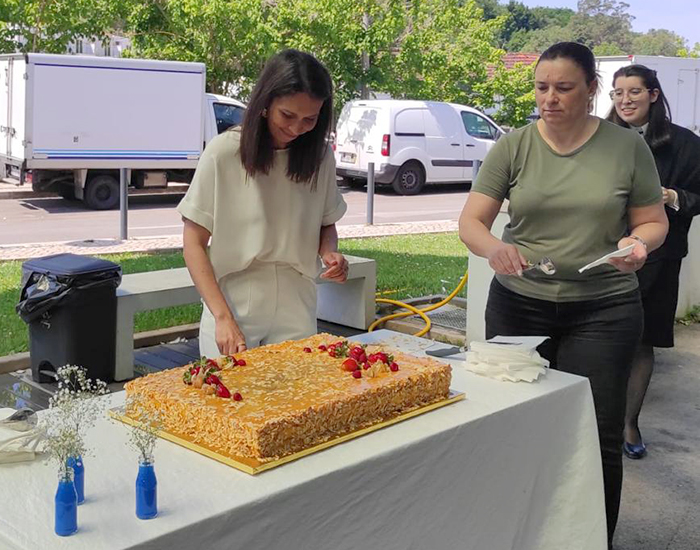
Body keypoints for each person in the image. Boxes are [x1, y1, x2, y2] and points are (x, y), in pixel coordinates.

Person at [458, 42, 668, 545]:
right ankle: (517, 533)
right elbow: (472, 221)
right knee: (514, 423)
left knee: (596, 435)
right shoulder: (513, 145)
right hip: (518, 302)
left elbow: (653, 221)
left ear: (592, 89)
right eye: (541, 87)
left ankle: (592, 537)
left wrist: (638, 245)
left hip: (604, 309)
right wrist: (494, 249)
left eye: (564, 88)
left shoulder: (626, 147)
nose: (549, 99)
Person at [177, 49, 348, 358]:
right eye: (288, 115)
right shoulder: (223, 153)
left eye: (310, 119)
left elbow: (326, 223)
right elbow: (193, 243)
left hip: (298, 299)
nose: (297, 129)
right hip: (235, 299)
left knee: (296, 403)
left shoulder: (320, 158)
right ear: (266, 103)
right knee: (229, 403)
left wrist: (330, 253)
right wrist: (222, 317)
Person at [607, 65, 700, 460]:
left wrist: (670, 196)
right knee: (600, 339)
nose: (624, 100)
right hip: (605, 254)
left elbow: (697, 197)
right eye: (617, 93)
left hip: (660, 257)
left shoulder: (684, 143)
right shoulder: (599, 138)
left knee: (643, 340)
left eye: (634, 92)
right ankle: (595, 422)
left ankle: (629, 423)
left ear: (654, 95)